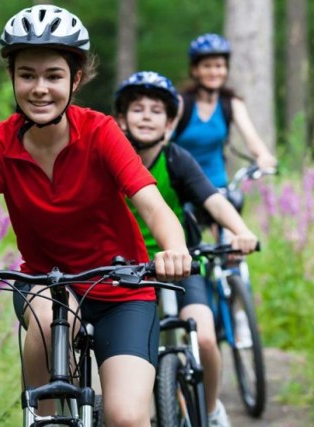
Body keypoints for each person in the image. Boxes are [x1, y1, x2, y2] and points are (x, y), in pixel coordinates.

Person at [0, 5, 192, 426]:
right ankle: (44, 420)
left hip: (121, 290)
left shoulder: (100, 132)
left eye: (53, 76)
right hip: (48, 283)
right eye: (27, 75)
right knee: (46, 318)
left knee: (127, 417)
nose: (39, 88)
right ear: (12, 78)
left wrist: (175, 250)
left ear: (75, 79)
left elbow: (151, 203)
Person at [114, 70, 259, 427]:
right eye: (137, 109)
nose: (146, 116)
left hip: (184, 263)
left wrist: (240, 230)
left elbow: (213, 200)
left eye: (156, 110)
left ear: (170, 122)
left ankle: (210, 409)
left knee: (205, 337)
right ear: (121, 119)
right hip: (125, 269)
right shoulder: (110, 158)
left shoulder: (176, 159)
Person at [172, 33, 277, 190]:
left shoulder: (232, 104)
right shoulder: (181, 103)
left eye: (219, 66)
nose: (214, 72)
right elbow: (162, 140)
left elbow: (252, 139)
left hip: (216, 187)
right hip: (179, 187)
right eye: (207, 66)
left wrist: (263, 156)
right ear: (195, 70)